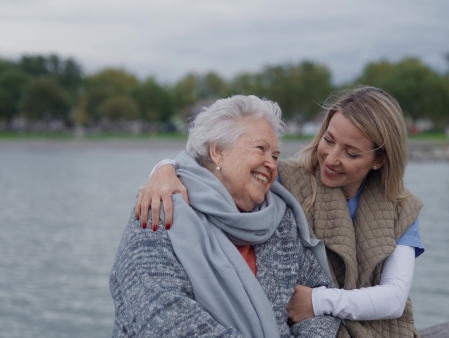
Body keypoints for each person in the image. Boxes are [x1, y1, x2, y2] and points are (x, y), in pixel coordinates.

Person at [137, 86, 424, 338]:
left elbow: (395, 297)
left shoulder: (400, 208)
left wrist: (317, 300)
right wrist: (164, 169)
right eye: (328, 139)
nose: (332, 158)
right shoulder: (288, 179)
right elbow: (214, 166)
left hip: (359, 323)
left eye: (351, 153)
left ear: (379, 160)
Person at [110, 95, 340, 337]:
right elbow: (160, 319)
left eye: (275, 156)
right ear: (218, 151)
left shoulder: (280, 222)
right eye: (261, 148)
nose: (272, 165)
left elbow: (318, 300)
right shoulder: (159, 208)